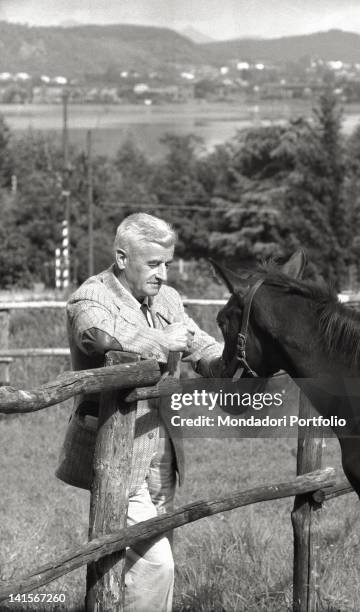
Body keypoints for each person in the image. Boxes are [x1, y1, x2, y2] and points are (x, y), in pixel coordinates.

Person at [56, 213, 223, 611]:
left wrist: (234, 361)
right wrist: (160, 340)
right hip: (116, 452)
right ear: (121, 257)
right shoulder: (91, 297)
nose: (163, 273)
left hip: (162, 446)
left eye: (167, 263)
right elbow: (97, 339)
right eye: (153, 264)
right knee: (156, 563)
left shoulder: (166, 298)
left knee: (148, 552)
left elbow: (200, 344)